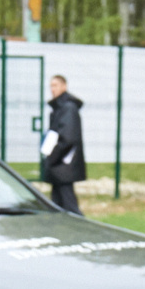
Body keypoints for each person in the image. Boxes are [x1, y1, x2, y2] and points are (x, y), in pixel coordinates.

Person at [39, 73, 87, 213]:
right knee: (58, 203)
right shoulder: (59, 109)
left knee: (68, 204)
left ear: (64, 86)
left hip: (63, 164)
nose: (52, 89)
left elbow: (67, 139)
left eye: (55, 85)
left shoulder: (68, 109)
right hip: (59, 165)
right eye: (51, 86)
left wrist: (53, 156)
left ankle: (80, 229)